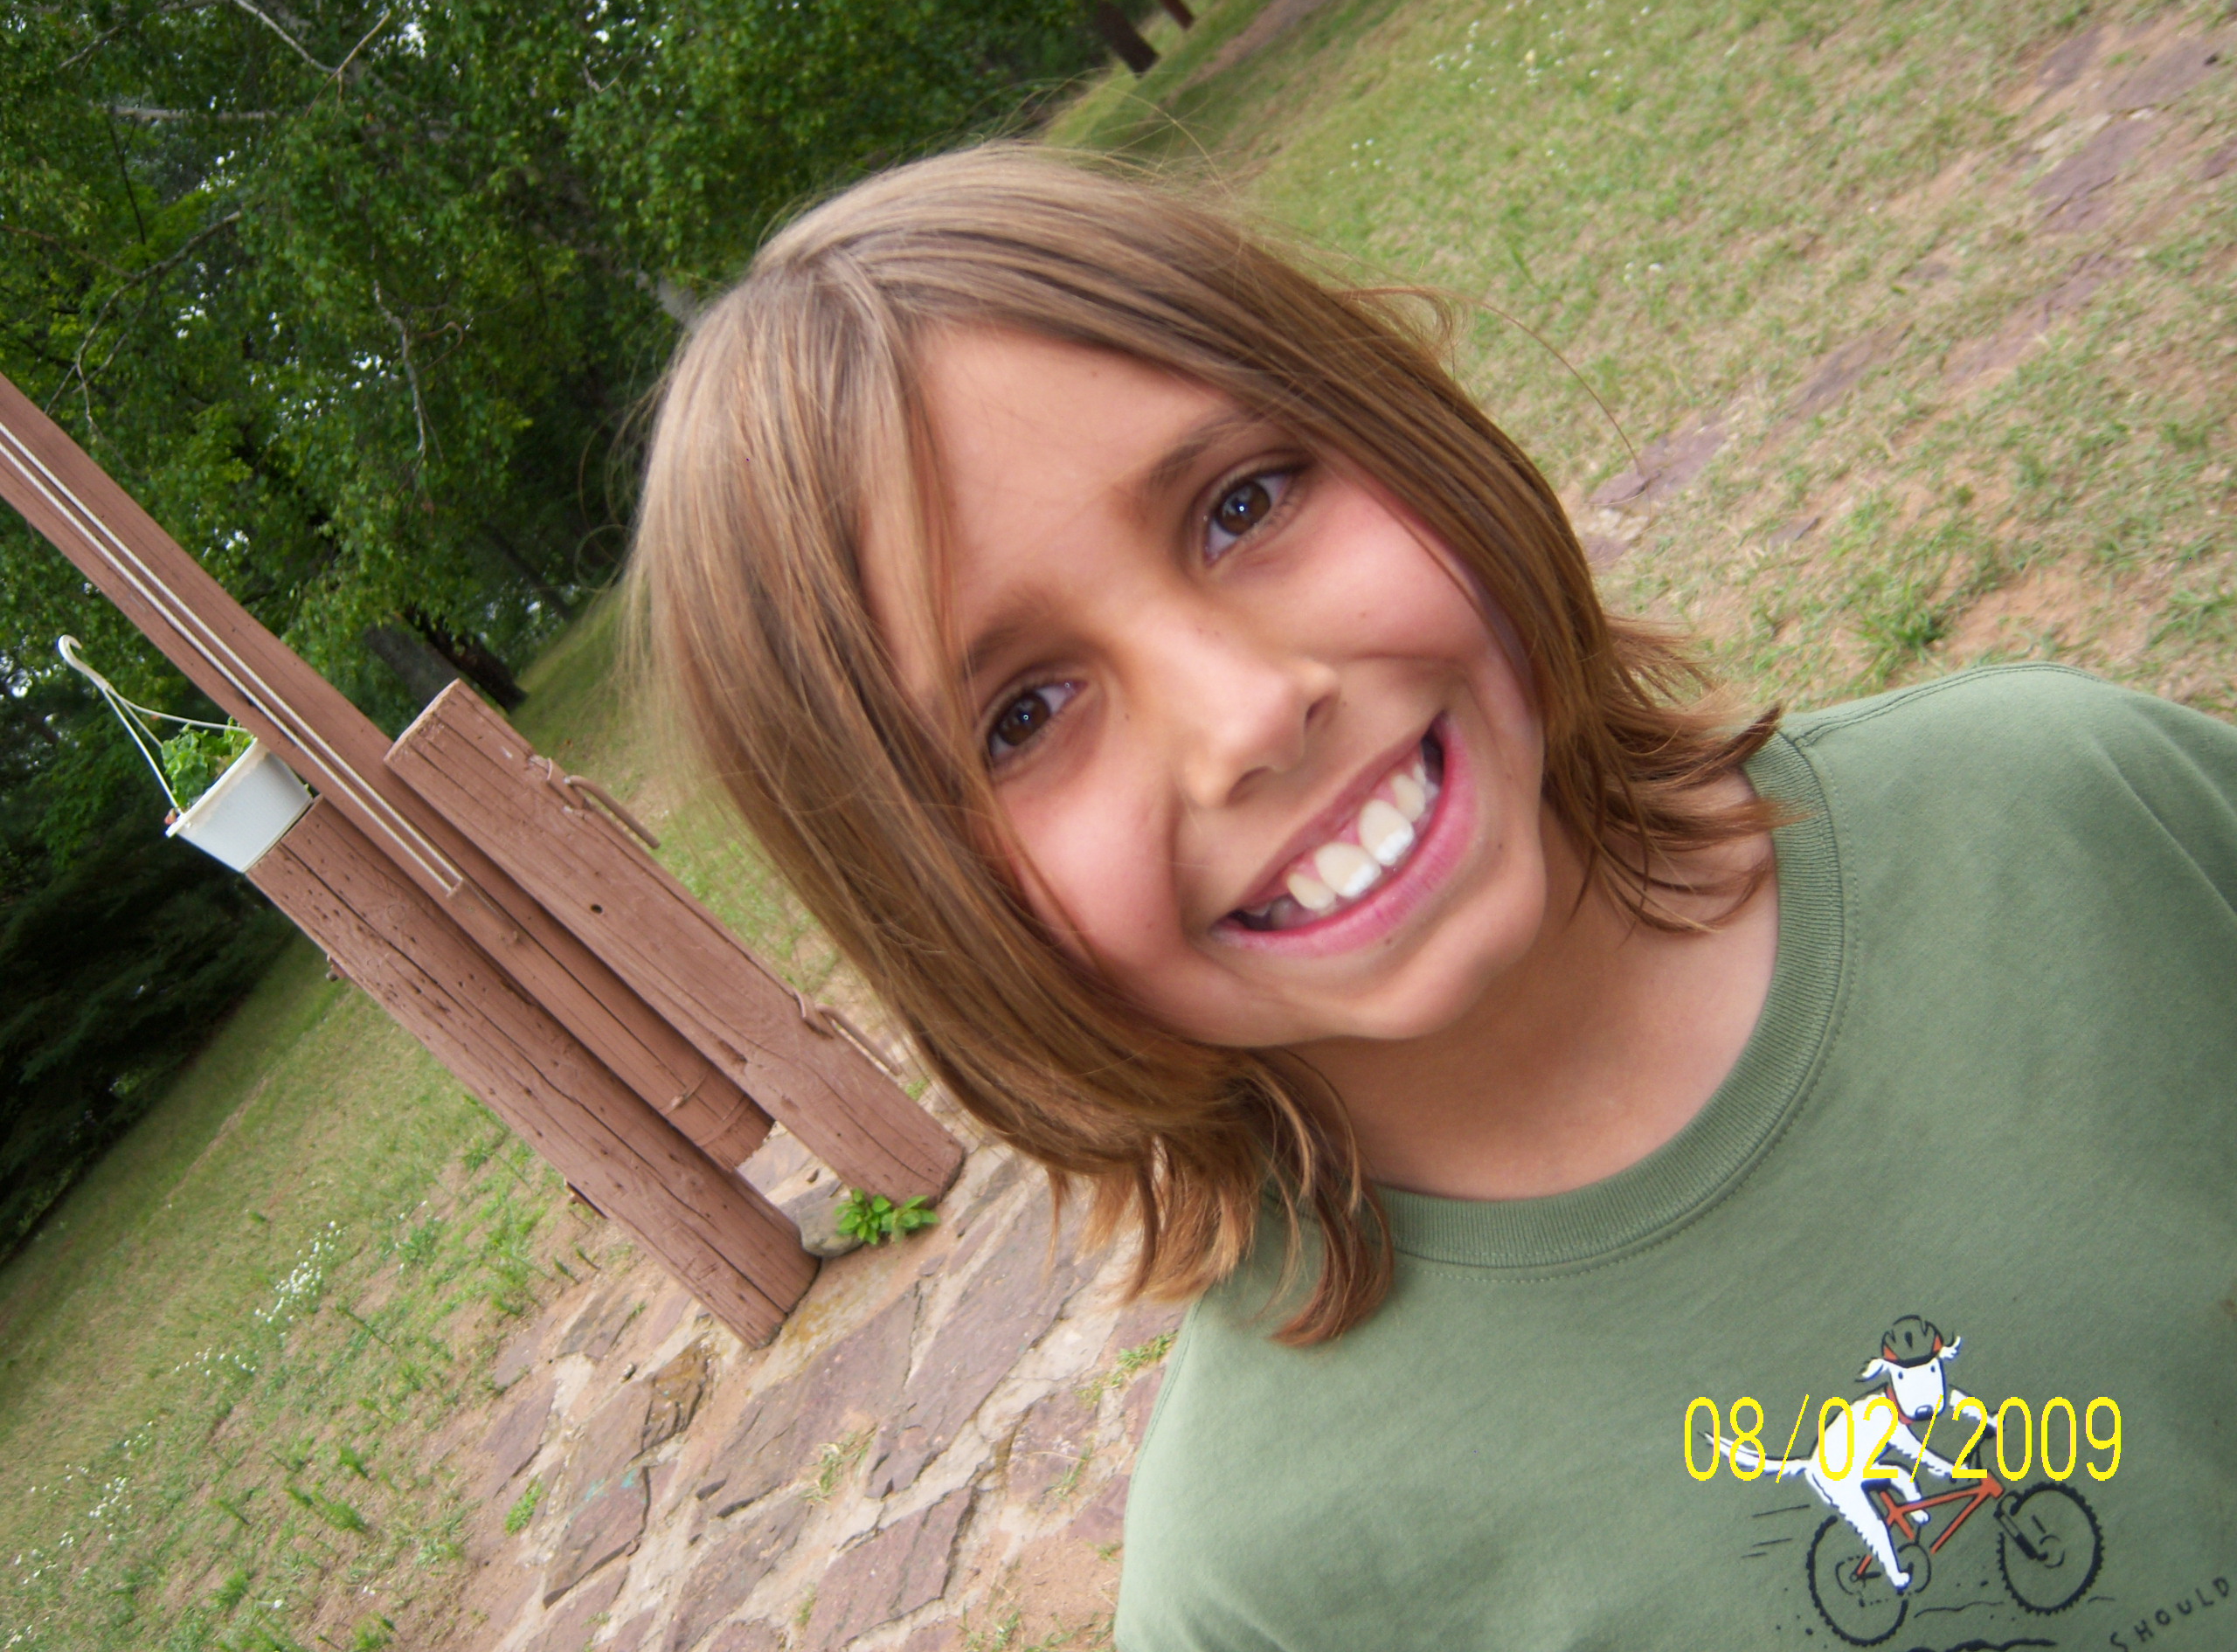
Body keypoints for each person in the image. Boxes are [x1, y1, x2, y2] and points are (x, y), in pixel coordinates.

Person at [628, 145, 2237, 1650]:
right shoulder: (1261, 1588)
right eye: (1023, 716)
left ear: (1402, 424)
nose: (1250, 715)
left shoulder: (2076, 813)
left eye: (1243, 503)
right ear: (931, 915)